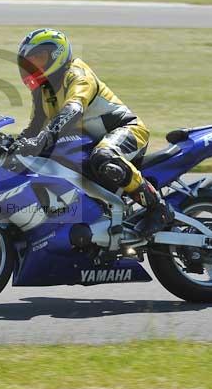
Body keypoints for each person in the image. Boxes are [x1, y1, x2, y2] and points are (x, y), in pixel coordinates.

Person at [11, 28, 173, 237]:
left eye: (39, 59)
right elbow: (35, 127)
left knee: (103, 157)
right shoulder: (43, 92)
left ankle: (158, 208)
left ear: (56, 54)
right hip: (89, 141)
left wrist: (43, 138)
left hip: (126, 130)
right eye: (29, 62)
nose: (34, 66)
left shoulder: (77, 74)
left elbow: (74, 109)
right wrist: (11, 145)